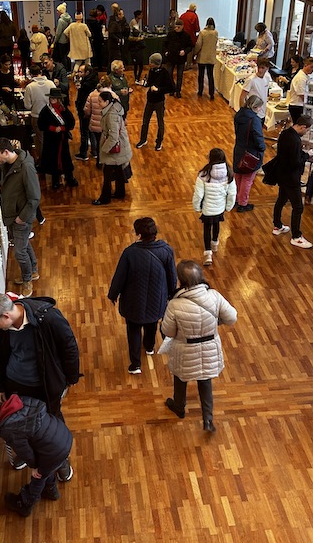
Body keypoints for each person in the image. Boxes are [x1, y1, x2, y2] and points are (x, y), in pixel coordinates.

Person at [0, 292, 80, 479]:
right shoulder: (1, 328)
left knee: (52, 421)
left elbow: (69, 348)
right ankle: (29, 454)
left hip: (45, 385)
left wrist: (71, 378)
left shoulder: (49, 319)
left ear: (6, 316)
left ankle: (60, 460)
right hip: (15, 385)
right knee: (19, 421)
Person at [162, 260, 238, 433]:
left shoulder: (175, 304)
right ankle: (208, 419)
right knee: (205, 381)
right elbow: (232, 318)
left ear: (180, 280)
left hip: (185, 349)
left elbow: (168, 331)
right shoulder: (215, 296)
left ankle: (179, 407)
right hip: (209, 346)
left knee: (181, 378)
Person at [0, 394, 73, 517]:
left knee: (38, 476)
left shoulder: (9, 428)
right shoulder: (20, 401)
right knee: (45, 471)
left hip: (53, 451)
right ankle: (50, 490)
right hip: (61, 433)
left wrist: (35, 466)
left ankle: (25, 504)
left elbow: (25, 451)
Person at [108, 217, 177, 375]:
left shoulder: (130, 253)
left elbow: (120, 277)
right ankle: (150, 347)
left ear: (138, 234)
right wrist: (171, 294)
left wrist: (113, 294)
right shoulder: (166, 250)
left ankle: (135, 364)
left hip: (133, 300)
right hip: (157, 298)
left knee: (133, 329)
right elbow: (172, 276)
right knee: (152, 323)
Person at [0, 138, 41, 297]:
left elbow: (34, 198)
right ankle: (33, 271)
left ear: (6, 152)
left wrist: (21, 217)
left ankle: (27, 280)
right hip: (12, 214)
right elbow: (11, 184)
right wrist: (1, 187)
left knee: (19, 252)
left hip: (21, 217)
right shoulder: (8, 164)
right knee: (23, 244)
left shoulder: (26, 168)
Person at [271, 115, 313, 249]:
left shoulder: (285, 133)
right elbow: (296, 162)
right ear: (303, 127)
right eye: (306, 130)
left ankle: (277, 225)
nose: (305, 133)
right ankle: (296, 236)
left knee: (281, 199)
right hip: (291, 178)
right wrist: (307, 155)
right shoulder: (295, 140)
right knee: (298, 207)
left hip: (282, 174)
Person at [193, 148, 236, 266]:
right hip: (220, 208)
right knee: (216, 224)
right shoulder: (229, 173)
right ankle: (215, 243)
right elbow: (232, 193)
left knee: (207, 228)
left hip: (207, 208)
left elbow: (198, 194)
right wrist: (228, 207)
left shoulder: (204, 174)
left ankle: (208, 253)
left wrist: (197, 207)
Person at [92, 90, 132, 205]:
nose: (99, 104)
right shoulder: (114, 108)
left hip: (114, 149)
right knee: (119, 170)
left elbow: (113, 136)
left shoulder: (110, 115)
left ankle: (105, 198)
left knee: (107, 174)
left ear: (107, 102)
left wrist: (104, 149)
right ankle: (120, 192)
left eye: (100, 102)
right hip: (121, 147)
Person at [38, 88, 78, 190]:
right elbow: (41, 125)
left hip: (62, 139)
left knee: (65, 158)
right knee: (53, 159)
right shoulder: (45, 110)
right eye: (51, 98)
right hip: (51, 139)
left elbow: (71, 122)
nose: (52, 100)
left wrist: (63, 128)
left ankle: (69, 177)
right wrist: (52, 128)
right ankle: (55, 180)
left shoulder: (64, 110)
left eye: (55, 98)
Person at [233, 94, 266, 212]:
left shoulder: (238, 115)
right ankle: (243, 203)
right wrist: (262, 148)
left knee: (238, 176)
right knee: (247, 178)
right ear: (255, 107)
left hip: (239, 149)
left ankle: (235, 199)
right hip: (251, 152)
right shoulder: (254, 120)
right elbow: (258, 137)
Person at [136, 54, 174, 152]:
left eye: (151, 62)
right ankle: (143, 139)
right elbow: (150, 82)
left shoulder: (165, 72)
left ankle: (159, 142)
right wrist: (145, 84)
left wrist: (158, 90)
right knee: (145, 121)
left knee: (160, 122)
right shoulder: (151, 71)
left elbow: (171, 88)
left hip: (159, 101)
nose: (149, 64)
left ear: (156, 63)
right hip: (150, 100)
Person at [83, 76, 117, 165]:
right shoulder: (113, 96)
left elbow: (87, 110)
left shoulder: (92, 94)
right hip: (108, 125)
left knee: (98, 143)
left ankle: (99, 161)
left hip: (95, 125)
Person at [23, 64, 53, 162]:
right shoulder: (51, 84)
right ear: (40, 72)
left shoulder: (30, 87)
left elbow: (27, 106)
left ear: (31, 75)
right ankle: (51, 160)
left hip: (37, 117)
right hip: (51, 116)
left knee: (40, 141)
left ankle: (43, 162)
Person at [74, 64, 99, 162]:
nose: (79, 73)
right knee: (92, 130)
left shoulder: (85, 85)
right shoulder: (94, 80)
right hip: (92, 110)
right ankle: (95, 151)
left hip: (84, 110)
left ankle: (83, 153)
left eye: (81, 72)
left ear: (87, 72)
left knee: (84, 132)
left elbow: (82, 98)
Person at [163, 20, 193, 98]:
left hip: (181, 58)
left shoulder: (186, 36)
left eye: (178, 27)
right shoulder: (170, 34)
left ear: (182, 27)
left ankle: (178, 91)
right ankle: (172, 89)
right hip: (171, 57)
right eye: (175, 27)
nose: (177, 28)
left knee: (180, 75)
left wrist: (185, 51)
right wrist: (166, 51)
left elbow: (190, 46)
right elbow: (165, 44)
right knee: (169, 74)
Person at [242, 58, 273, 123]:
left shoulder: (267, 78)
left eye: (262, 68)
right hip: (252, 114)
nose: (259, 70)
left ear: (267, 68)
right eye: (258, 67)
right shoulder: (251, 80)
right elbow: (242, 96)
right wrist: (243, 113)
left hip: (262, 112)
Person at [287, 57, 313, 124]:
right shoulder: (300, 78)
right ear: (305, 65)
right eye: (311, 67)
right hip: (296, 106)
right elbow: (301, 94)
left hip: (300, 105)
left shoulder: (305, 76)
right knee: (298, 127)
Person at [194, 17, 218, 100]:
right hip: (211, 57)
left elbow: (198, 44)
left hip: (202, 57)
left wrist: (195, 53)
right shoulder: (215, 33)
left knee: (201, 75)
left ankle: (200, 91)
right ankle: (211, 93)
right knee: (210, 75)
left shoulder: (202, 33)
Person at [128, 10, 146, 85]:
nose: (142, 16)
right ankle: (136, 78)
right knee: (136, 64)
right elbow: (135, 34)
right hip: (134, 47)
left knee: (141, 64)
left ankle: (138, 78)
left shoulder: (138, 22)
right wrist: (139, 38)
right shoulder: (133, 22)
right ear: (137, 15)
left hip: (138, 47)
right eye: (141, 14)